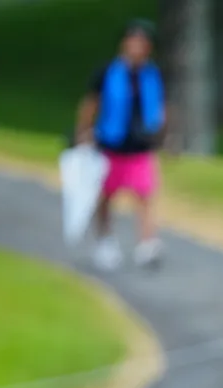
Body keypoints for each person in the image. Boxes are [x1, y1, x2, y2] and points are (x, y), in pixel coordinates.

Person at [74, 18, 168, 271]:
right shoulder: (107, 72)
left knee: (145, 196)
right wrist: (83, 132)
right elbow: (90, 104)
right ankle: (105, 242)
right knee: (105, 197)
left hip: (140, 146)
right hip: (110, 144)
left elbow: (160, 107)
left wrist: (164, 135)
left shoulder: (152, 75)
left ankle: (147, 243)